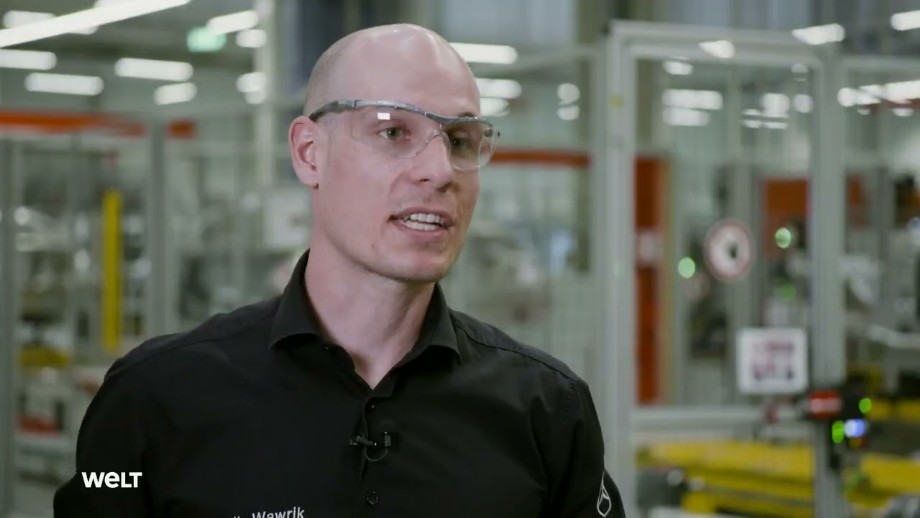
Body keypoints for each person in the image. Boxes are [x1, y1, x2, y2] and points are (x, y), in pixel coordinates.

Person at [53, 23, 626, 518]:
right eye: (393, 131)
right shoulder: (154, 399)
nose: (440, 170)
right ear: (309, 153)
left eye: (459, 139)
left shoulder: (547, 411)